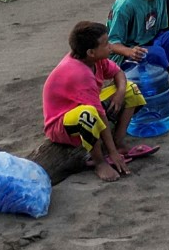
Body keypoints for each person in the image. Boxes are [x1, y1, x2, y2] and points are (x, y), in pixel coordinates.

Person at [42, 21, 153, 182]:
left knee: (131, 89)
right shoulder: (80, 73)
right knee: (89, 114)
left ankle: (119, 142)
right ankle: (99, 162)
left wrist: (120, 92)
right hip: (61, 123)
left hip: (84, 105)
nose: (110, 47)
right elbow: (99, 114)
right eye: (106, 44)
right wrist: (112, 152)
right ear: (91, 52)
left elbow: (119, 73)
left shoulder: (95, 59)